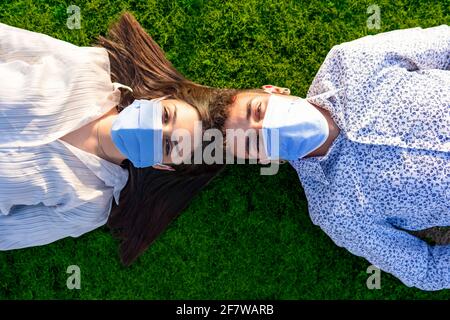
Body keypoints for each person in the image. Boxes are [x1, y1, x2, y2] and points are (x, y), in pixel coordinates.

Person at [220, 24, 450, 291]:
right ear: (263, 160)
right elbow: (425, 270)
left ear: (276, 90)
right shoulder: (334, 212)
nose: (267, 127)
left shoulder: (351, 62)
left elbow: (445, 44)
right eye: (253, 141)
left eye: (258, 111)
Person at [0, 12, 235, 266]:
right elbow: (9, 41)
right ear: (158, 100)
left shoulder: (89, 205)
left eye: (167, 144)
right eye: (166, 116)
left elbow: (7, 234)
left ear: (160, 165)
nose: (154, 130)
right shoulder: (86, 70)